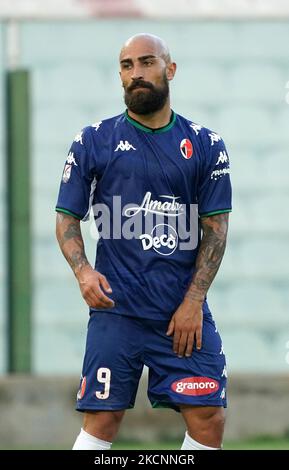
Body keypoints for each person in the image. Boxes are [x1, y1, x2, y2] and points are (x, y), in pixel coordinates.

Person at [55, 33, 232, 451]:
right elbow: (66, 217)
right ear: (120, 75)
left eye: (147, 62)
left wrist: (193, 303)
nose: (136, 73)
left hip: (181, 313)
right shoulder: (92, 141)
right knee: (103, 417)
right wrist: (82, 271)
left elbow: (216, 231)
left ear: (170, 70)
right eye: (127, 65)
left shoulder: (206, 144)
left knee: (208, 416)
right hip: (117, 311)